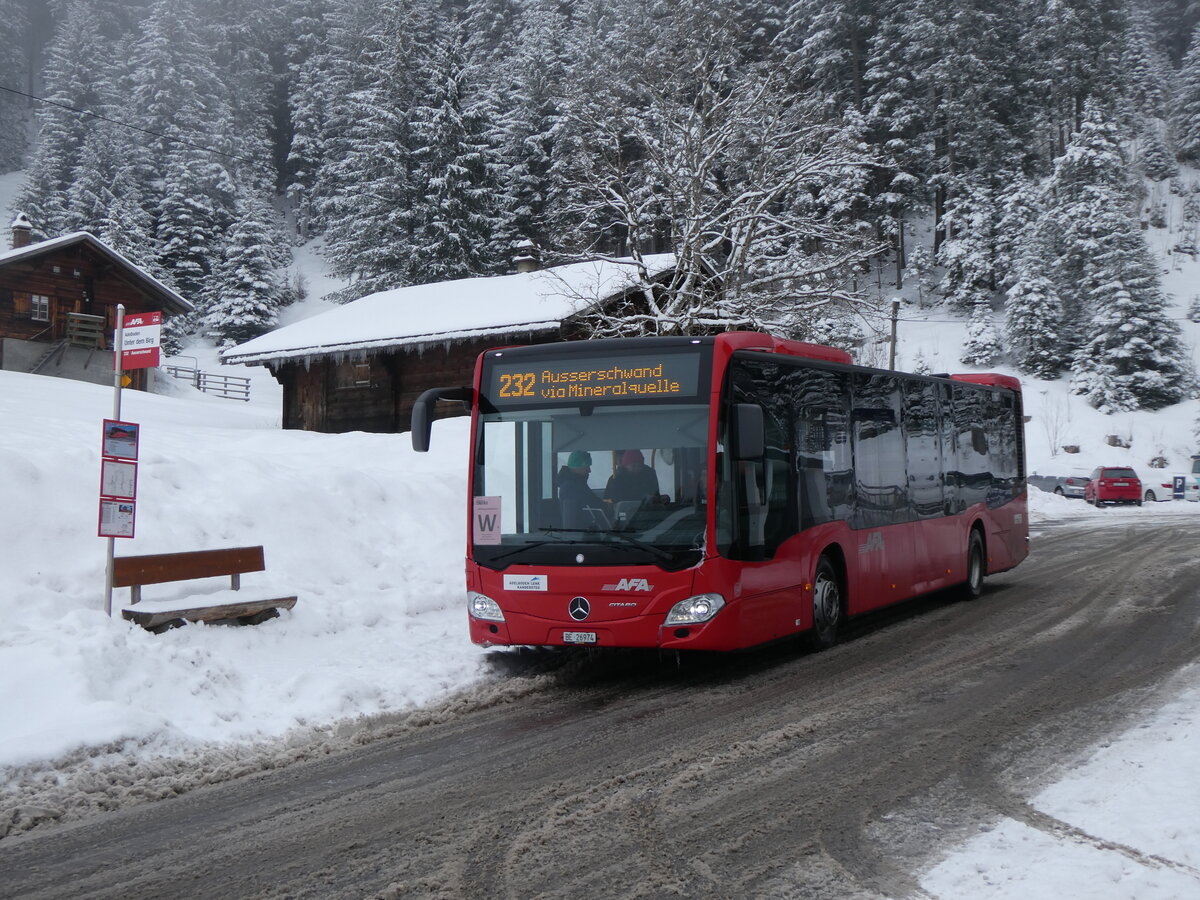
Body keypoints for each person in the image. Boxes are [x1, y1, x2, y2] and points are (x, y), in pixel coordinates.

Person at [557, 450, 606, 528]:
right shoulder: (570, 487)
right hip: (581, 532)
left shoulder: (578, 484)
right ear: (577, 467)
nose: (589, 470)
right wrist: (606, 508)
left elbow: (592, 501)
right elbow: (588, 507)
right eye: (587, 467)